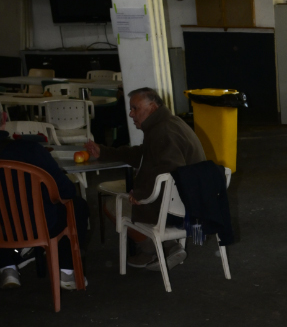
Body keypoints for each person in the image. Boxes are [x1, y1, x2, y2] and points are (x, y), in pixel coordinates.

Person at [83, 87, 206, 270]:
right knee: (129, 199)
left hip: (179, 206)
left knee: (112, 206)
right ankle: (161, 248)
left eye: (135, 108)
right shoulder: (167, 124)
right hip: (190, 199)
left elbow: (170, 170)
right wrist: (105, 152)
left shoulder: (163, 131)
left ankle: (158, 249)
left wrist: (142, 193)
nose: (131, 114)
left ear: (153, 107)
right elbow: (142, 154)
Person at [0, 128, 89, 290]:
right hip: (40, 225)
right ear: (3, 121)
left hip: (3, 230)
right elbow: (66, 191)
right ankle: (67, 271)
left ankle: (7, 267)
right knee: (77, 205)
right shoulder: (30, 149)